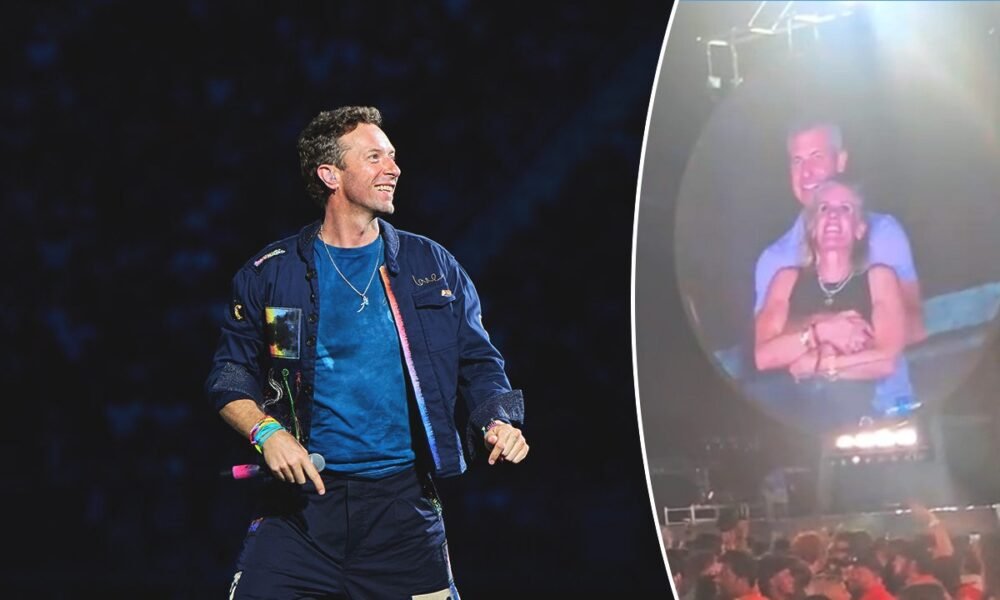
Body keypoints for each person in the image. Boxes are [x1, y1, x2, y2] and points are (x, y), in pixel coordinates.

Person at [205, 106, 529, 599]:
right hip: (300, 513)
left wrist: (497, 419)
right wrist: (267, 432)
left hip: (403, 511)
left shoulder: (431, 265)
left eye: (392, 156)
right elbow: (230, 375)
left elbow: (479, 361)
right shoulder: (271, 274)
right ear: (330, 174)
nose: (393, 168)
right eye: (375, 157)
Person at [753, 118, 924, 418]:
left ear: (841, 160)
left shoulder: (883, 234)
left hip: (890, 409)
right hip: (813, 417)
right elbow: (765, 351)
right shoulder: (775, 261)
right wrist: (826, 329)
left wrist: (824, 358)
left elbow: (913, 329)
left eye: (816, 157)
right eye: (797, 161)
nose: (807, 172)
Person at [754, 179, 907, 426]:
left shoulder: (880, 278)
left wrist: (819, 364)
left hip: (861, 425)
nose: (833, 215)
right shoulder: (785, 280)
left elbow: (887, 361)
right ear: (812, 226)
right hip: (793, 422)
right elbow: (763, 357)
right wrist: (822, 333)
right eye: (824, 208)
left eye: (845, 208)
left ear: (859, 229)